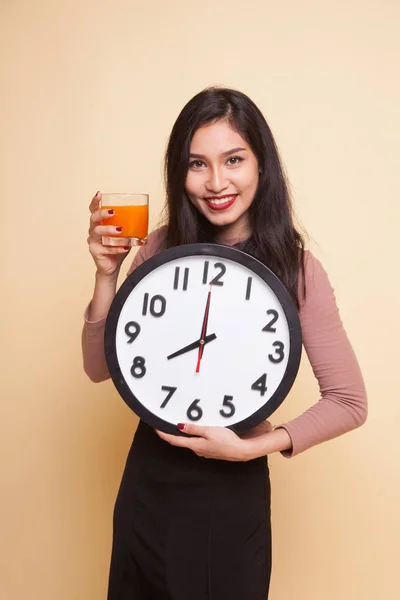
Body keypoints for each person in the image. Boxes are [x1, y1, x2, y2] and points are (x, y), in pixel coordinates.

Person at [82, 87, 367, 600]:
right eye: (198, 163)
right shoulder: (159, 249)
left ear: (262, 164)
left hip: (229, 495)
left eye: (233, 159)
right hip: (148, 480)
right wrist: (107, 276)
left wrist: (251, 448)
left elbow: (349, 402)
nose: (216, 182)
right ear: (180, 171)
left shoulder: (297, 270)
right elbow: (101, 368)